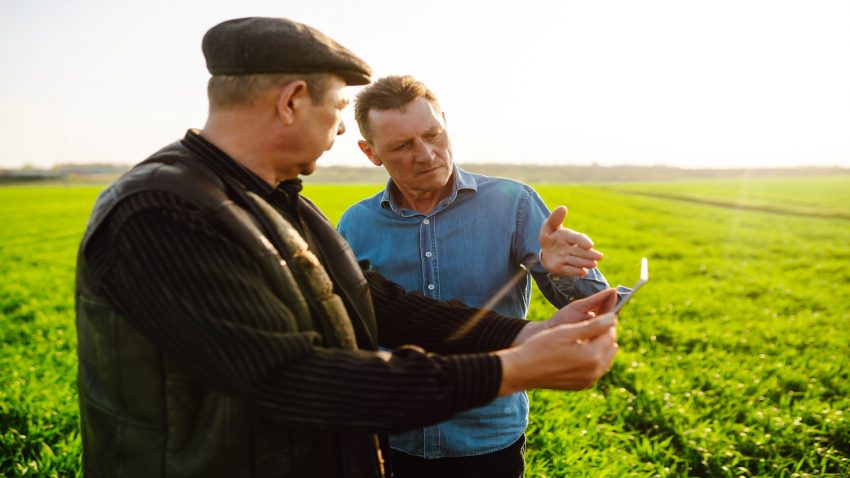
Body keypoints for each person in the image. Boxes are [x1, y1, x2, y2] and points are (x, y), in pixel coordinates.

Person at [74, 17, 620, 478]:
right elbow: (287, 378)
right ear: (292, 102)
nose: (337, 129)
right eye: (337, 107)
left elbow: (371, 301)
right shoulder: (164, 211)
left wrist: (528, 333)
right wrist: (508, 370)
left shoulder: (275, 200)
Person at [338, 75, 616, 477]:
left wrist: (565, 272)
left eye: (433, 134)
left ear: (445, 124)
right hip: (393, 433)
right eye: (402, 145)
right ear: (370, 152)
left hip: (486, 433)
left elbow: (596, 309)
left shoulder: (514, 203)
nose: (427, 153)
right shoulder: (355, 223)